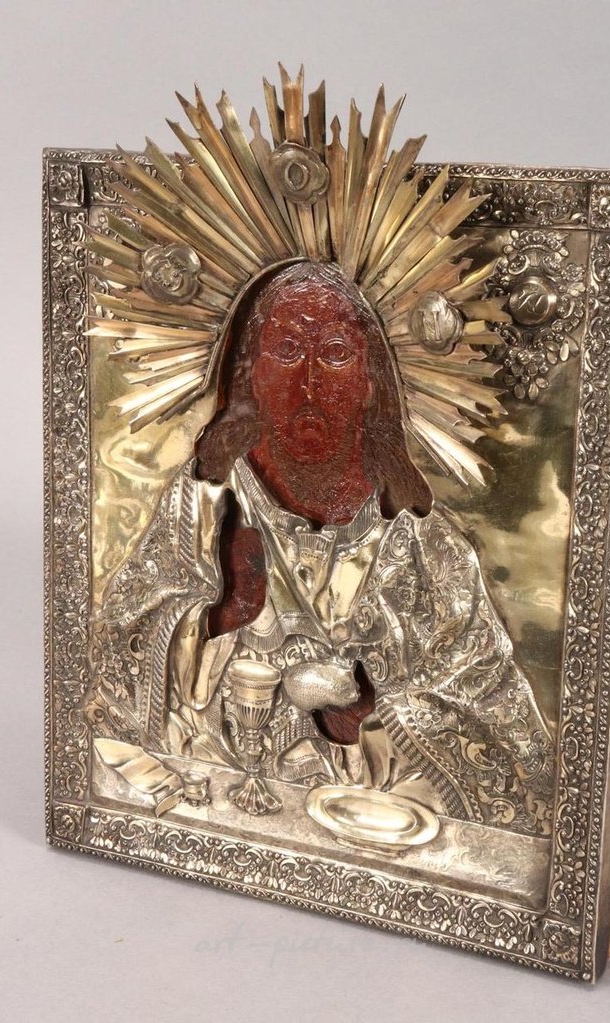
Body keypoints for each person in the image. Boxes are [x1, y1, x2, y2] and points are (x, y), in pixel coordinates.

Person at [86, 261, 554, 837]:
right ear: (250, 374)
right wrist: (219, 613)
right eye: (285, 351)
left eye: (334, 353)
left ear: (370, 381)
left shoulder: (428, 554)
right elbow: (109, 676)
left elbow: (510, 754)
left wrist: (367, 712)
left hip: (381, 836)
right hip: (215, 807)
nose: (308, 383)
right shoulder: (200, 516)